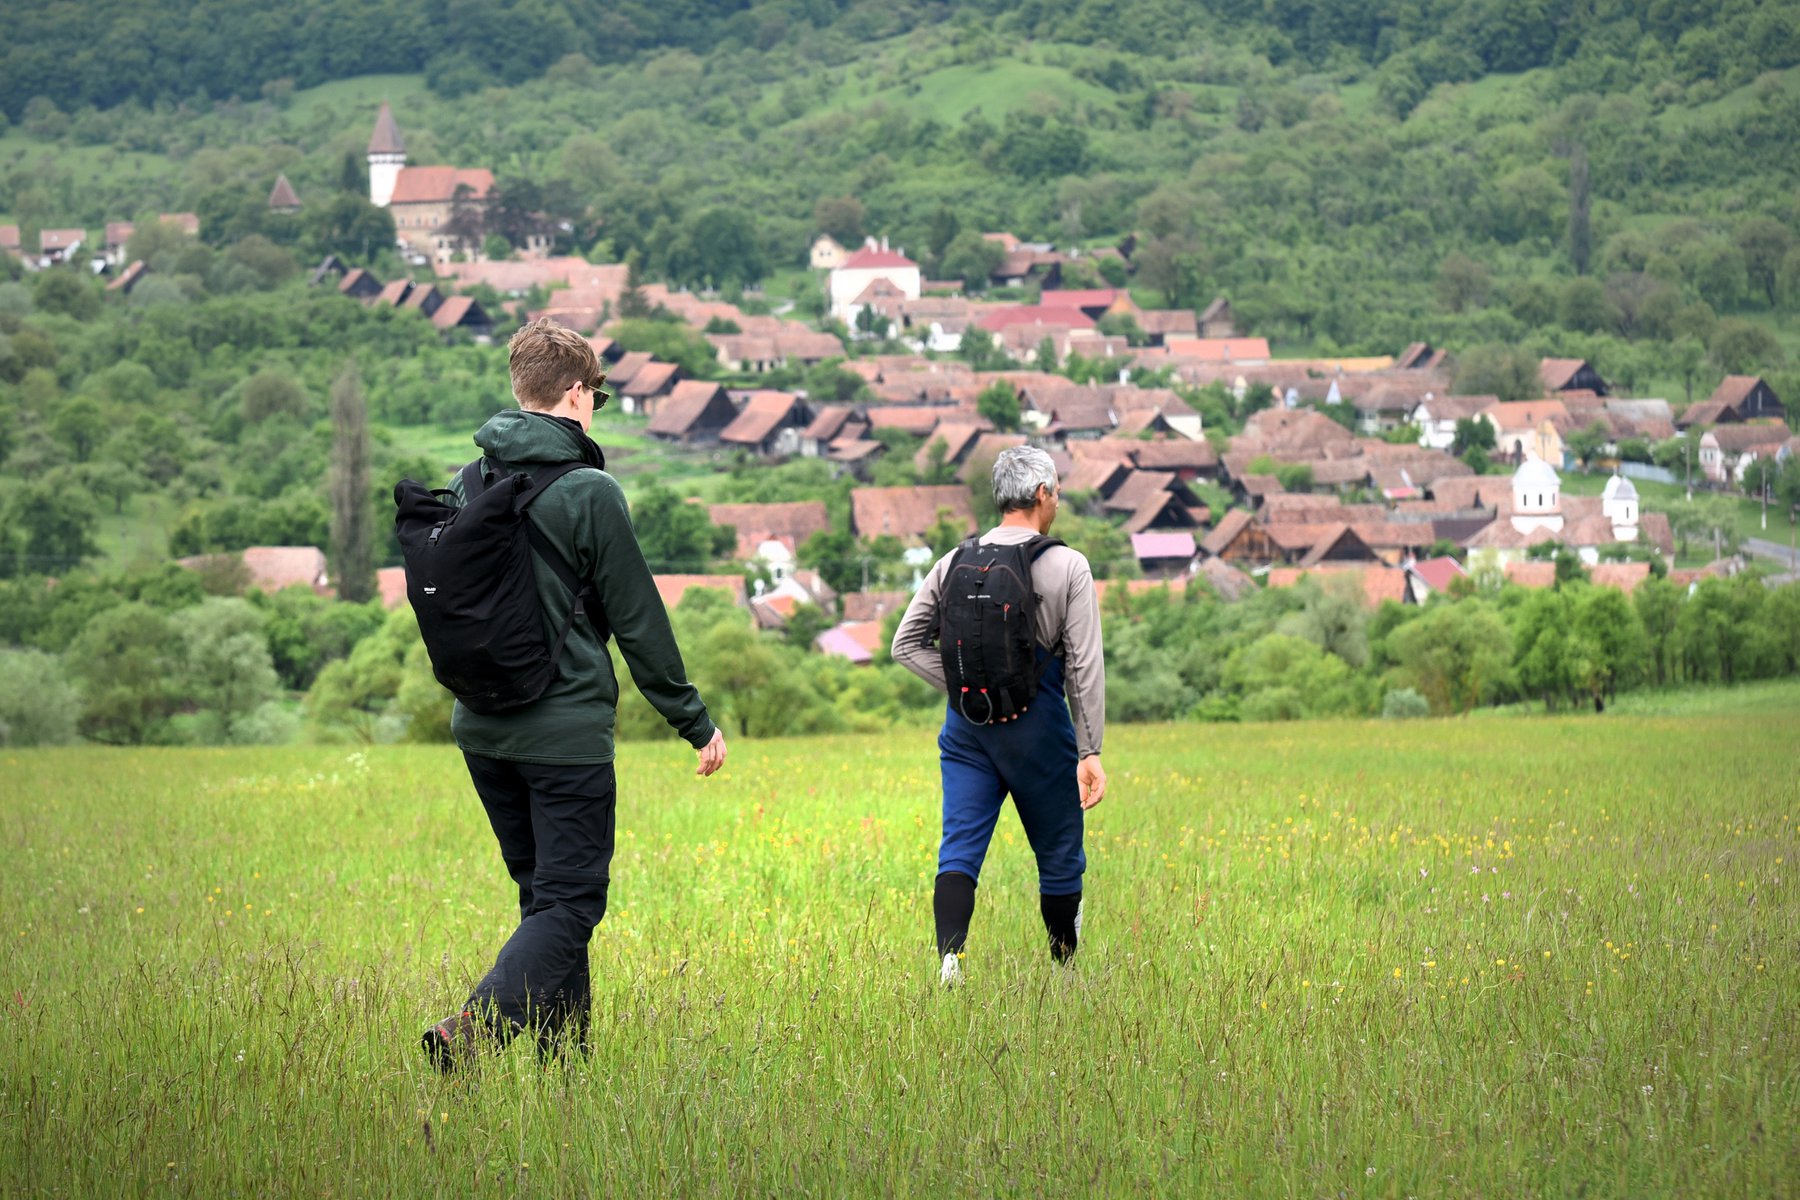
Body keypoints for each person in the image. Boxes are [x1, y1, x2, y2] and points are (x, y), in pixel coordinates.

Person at [422, 318, 727, 1068]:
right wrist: (694, 722)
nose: (594, 404)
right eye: (593, 391)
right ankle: (473, 1034)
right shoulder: (590, 490)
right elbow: (638, 621)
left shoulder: (472, 478)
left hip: (481, 727)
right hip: (563, 736)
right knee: (572, 901)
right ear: (573, 394)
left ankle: (568, 1068)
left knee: (546, 902)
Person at [891, 446, 1107, 985]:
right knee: (1059, 850)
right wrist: (1091, 749)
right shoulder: (1068, 565)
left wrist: (973, 689)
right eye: (1055, 490)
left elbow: (905, 645)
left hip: (967, 730)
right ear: (1040, 495)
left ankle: (950, 963)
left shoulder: (953, 561)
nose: (1056, 500)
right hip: (1037, 730)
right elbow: (1083, 667)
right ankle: (1063, 971)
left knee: (959, 848)